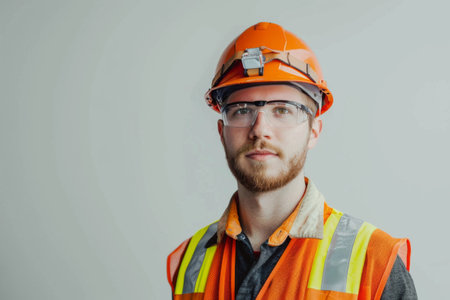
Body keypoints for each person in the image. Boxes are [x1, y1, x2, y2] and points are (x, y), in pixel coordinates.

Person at [166, 22, 417, 300]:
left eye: (283, 110)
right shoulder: (191, 261)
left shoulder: (376, 263)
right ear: (222, 132)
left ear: (314, 131)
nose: (260, 129)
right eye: (241, 110)